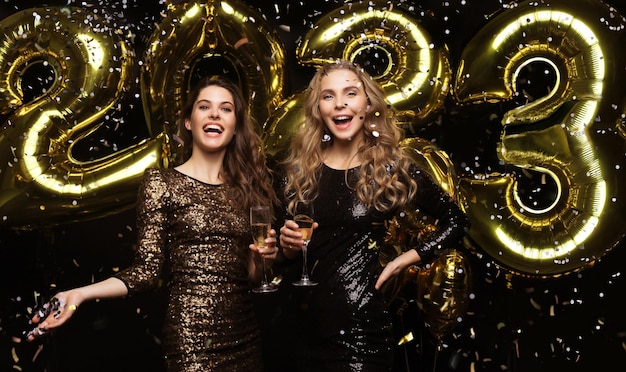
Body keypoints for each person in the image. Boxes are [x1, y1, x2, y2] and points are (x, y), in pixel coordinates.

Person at [26, 75, 280, 372]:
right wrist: (80, 294)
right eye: (204, 107)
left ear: (235, 125)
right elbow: (146, 272)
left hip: (245, 336)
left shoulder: (248, 189)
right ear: (188, 121)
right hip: (191, 340)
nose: (214, 114)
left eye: (226, 109)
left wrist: (264, 259)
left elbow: (250, 274)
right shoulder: (161, 182)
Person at [276, 60, 470, 371]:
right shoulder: (297, 174)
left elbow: (457, 221)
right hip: (295, 331)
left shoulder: (391, 169)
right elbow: (275, 257)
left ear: (367, 103)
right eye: (328, 96)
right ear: (318, 109)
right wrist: (285, 249)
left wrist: (403, 260)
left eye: (350, 93)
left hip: (360, 336)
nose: (340, 103)